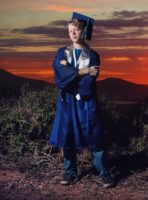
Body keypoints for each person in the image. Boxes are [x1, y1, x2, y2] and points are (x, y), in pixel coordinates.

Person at [49, 12, 114, 188]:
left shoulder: (93, 55)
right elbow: (60, 78)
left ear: (84, 31)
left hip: (85, 100)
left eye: (76, 30)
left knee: (95, 134)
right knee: (67, 134)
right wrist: (83, 71)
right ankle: (70, 172)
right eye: (70, 30)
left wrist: (70, 73)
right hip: (67, 102)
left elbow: (88, 82)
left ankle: (103, 172)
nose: (73, 33)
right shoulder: (61, 52)